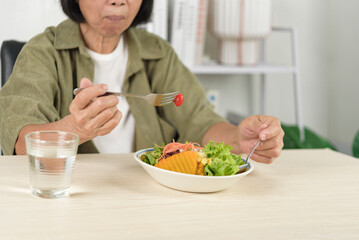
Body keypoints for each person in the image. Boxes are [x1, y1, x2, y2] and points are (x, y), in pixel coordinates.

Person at [0, 0, 284, 164]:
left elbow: (200, 120)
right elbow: (21, 144)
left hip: (150, 200)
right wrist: (74, 130)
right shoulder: (42, 52)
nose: (118, 1)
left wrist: (238, 139)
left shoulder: (158, 53)